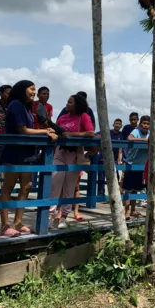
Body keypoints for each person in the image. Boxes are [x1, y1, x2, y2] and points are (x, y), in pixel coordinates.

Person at [0, 80, 58, 238]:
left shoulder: (25, 107)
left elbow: (28, 128)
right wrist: (45, 132)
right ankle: (5, 225)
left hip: (27, 153)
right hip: (14, 152)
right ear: (22, 90)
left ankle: (18, 222)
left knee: (27, 186)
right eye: (31, 89)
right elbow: (22, 129)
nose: (34, 92)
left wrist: (45, 129)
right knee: (9, 186)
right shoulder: (16, 105)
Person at [49, 94, 95, 229]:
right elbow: (57, 131)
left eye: (70, 102)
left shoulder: (84, 117)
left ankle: (64, 216)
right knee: (54, 184)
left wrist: (71, 134)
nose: (67, 104)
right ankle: (49, 216)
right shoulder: (62, 117)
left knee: (70, 187)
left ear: (77, 104)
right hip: (60, 152)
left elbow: (90, 133)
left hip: (75, 154)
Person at [122, 115, 150, 219]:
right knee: (128, 189)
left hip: (142, 165)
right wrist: (143, 140)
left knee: (135, 189)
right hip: (131, 163)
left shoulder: (149, 134)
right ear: (140, 124)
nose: (146, 126)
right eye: (144, 123)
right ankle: (127, 211)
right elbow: (129, 138)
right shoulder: (136, 131)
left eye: (148, 124)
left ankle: (133, 210)